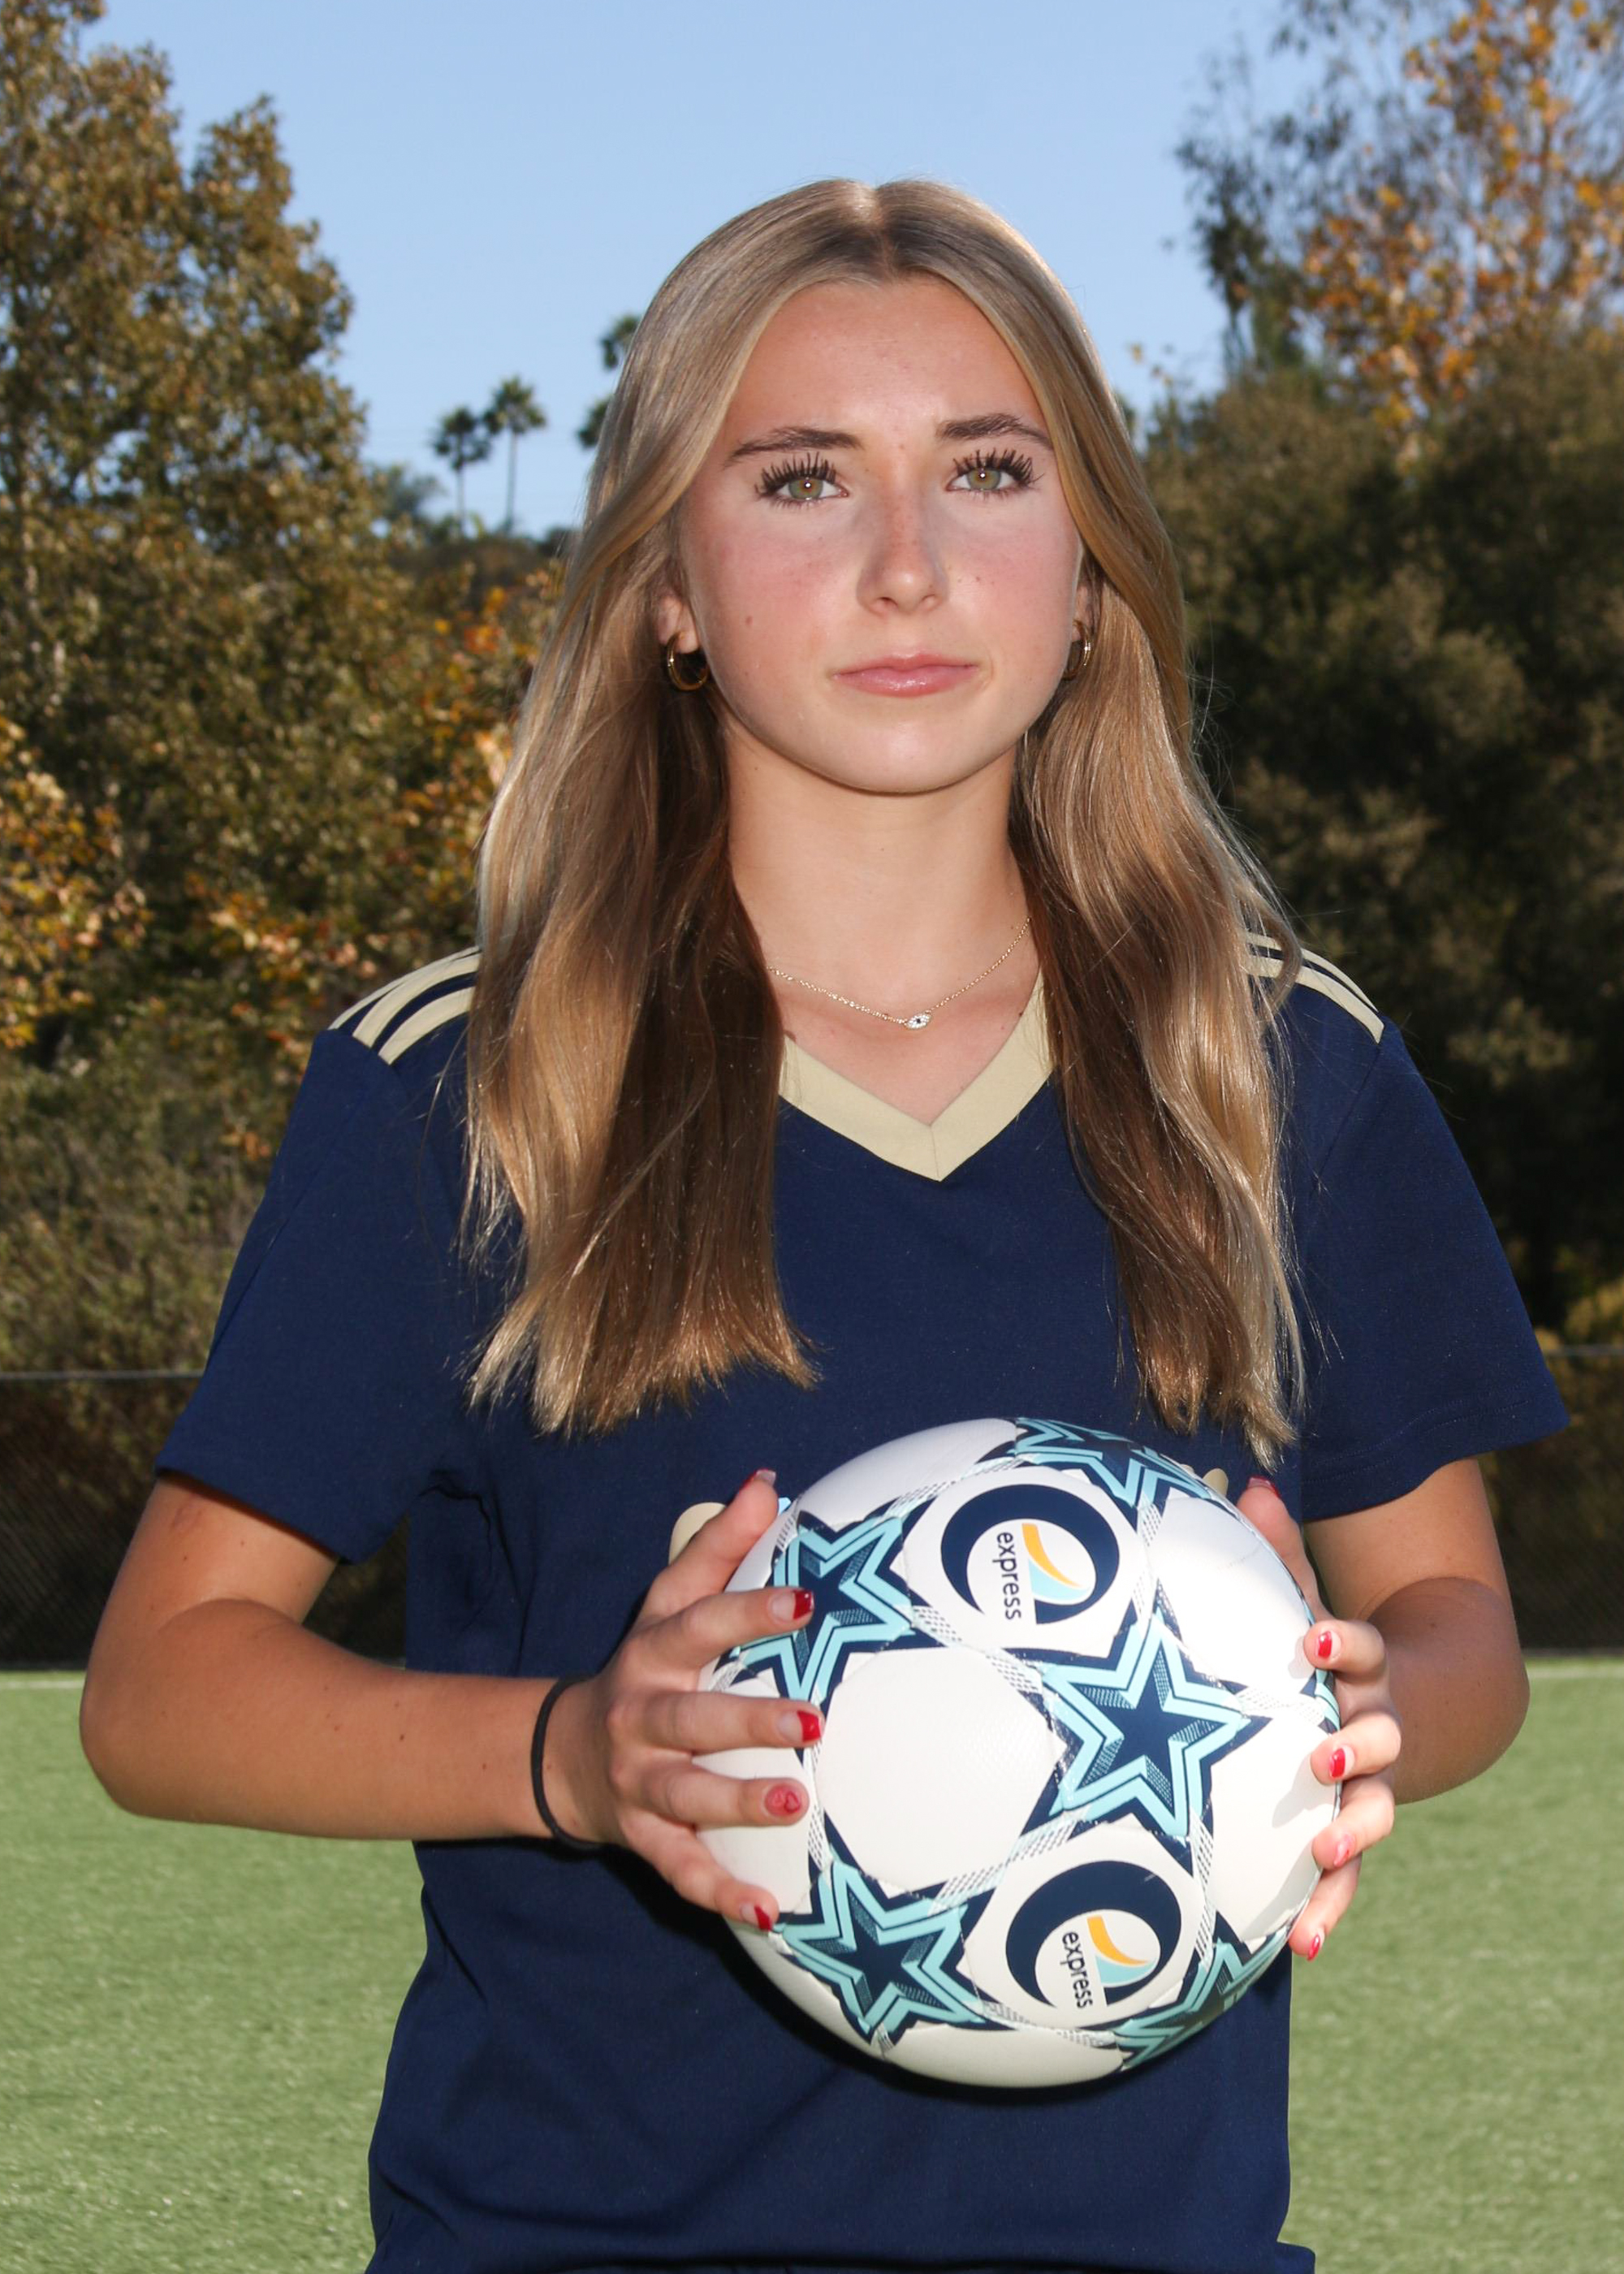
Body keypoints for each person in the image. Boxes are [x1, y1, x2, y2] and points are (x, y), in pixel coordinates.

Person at [80, 177, 1566, 2274]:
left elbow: (1457, 1622)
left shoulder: (1276, 1064)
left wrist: (1345, 1709)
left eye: (989, 470)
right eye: (800, 479)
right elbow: (157, 1690)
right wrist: (572, 1756)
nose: (907, 564)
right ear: (665, 585)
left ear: (1091, 573)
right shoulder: (471, 1085)